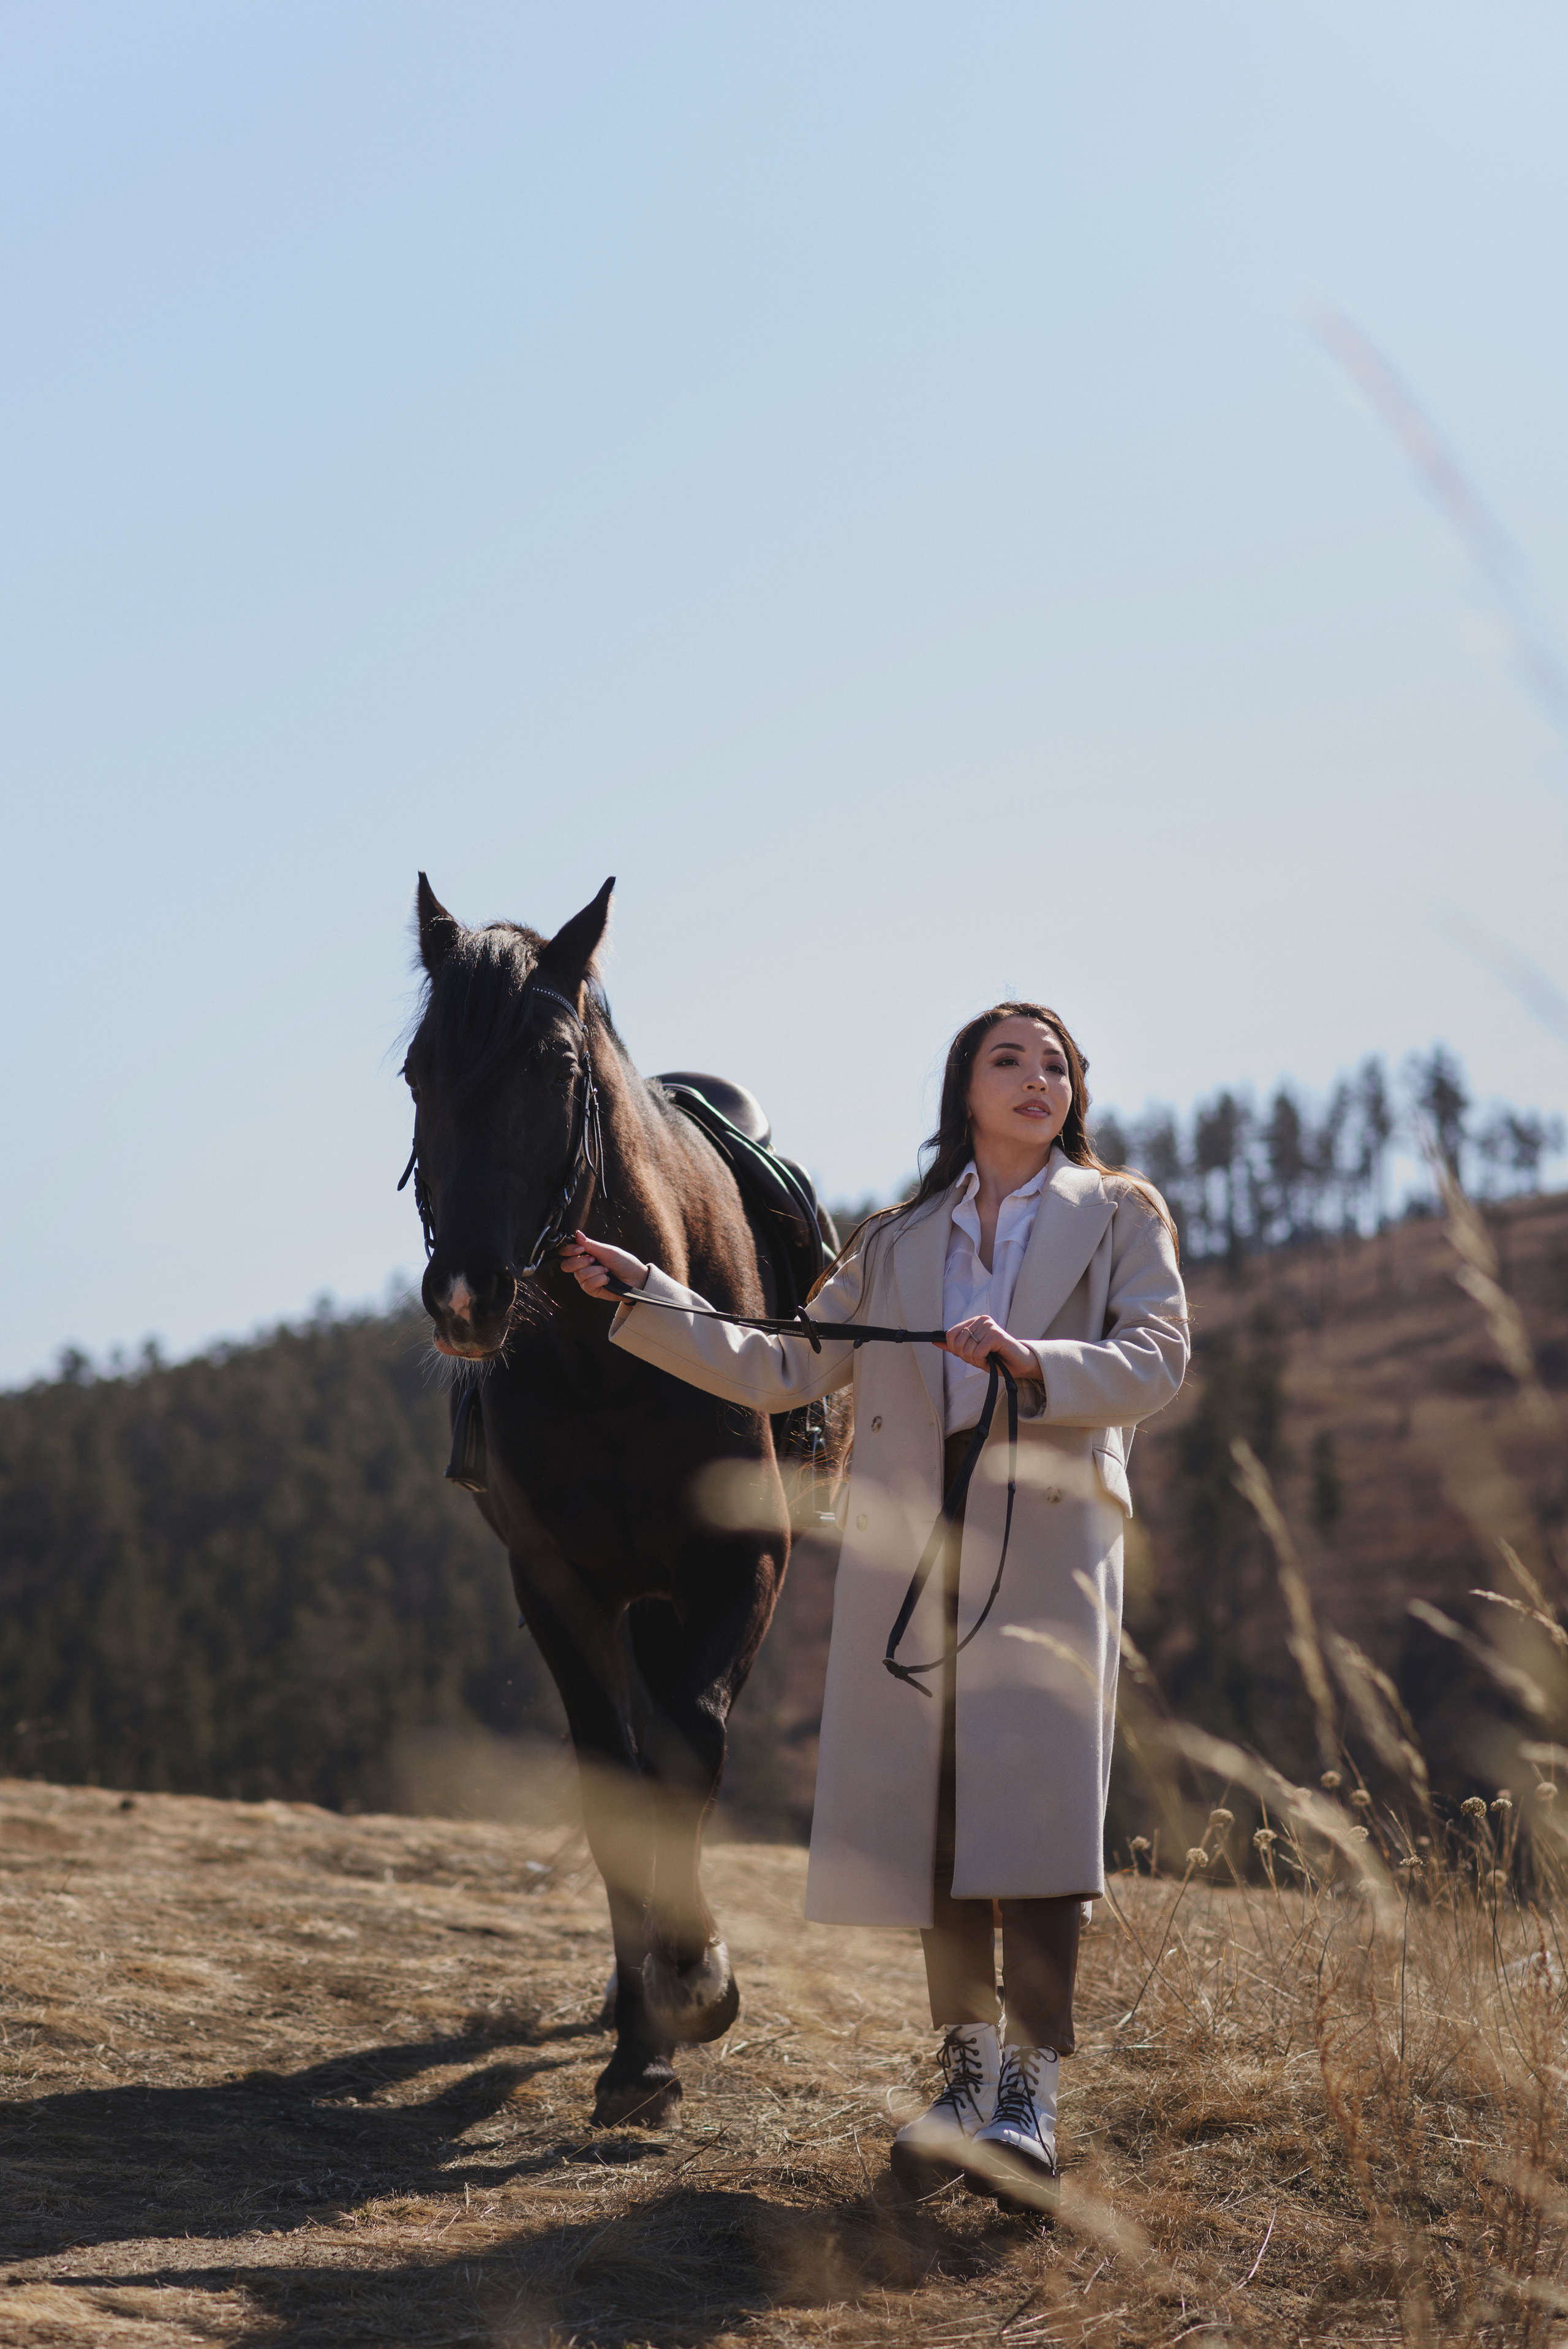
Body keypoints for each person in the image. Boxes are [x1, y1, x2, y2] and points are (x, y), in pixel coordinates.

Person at [560, 1003, 1187, 2209]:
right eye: (1009, 1059)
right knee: (941, 1813)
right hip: (917, 1536)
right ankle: (960, 2081)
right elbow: (781, 1363)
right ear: (963, 1087)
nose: (1036, 1078)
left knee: (1040, 1819)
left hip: (1048, 1529)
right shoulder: (899, 1238)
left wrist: (1035, 1363)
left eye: (1054, 1063)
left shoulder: (1117, 1211)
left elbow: (1158, 1356)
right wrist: (642, 1290)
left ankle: (1029, 2102)